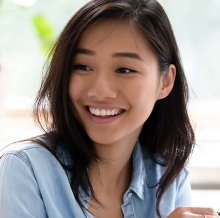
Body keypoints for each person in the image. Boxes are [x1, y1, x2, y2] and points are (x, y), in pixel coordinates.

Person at [0, 0, 219, 217]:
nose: (100, 91)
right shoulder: (25, 170)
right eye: (83, 67)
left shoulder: (168, 178)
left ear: (165, 82)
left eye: (124, 70)